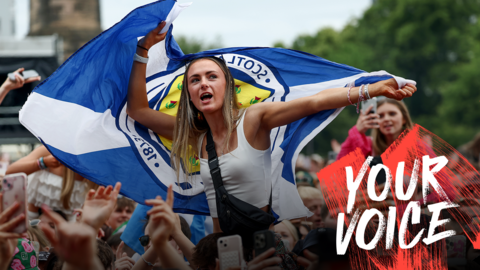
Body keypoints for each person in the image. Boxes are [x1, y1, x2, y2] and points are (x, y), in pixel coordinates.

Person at [127, 22, 417, 233]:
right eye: (195, 80)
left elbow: (315, 102)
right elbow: (138, 111)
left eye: (211, 76)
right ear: (189, 94)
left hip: (264, 246)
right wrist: (143, 50)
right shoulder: (197, 137)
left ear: (226, 86)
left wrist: (372, 89)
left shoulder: (252, 119)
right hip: (221, 252)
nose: (203, 83)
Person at [6, 146, 97, 221]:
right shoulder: (49, 150)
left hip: (67, 235)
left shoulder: (95, 165)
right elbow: (10, 172)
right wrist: (43, 162)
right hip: (32, 227)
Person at [336, 98, 414, 160]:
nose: (386, 119)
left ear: (404, 118)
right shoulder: (368, 146)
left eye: (392, 114)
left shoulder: (418, 147)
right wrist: (356, 132)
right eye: (380, 116)